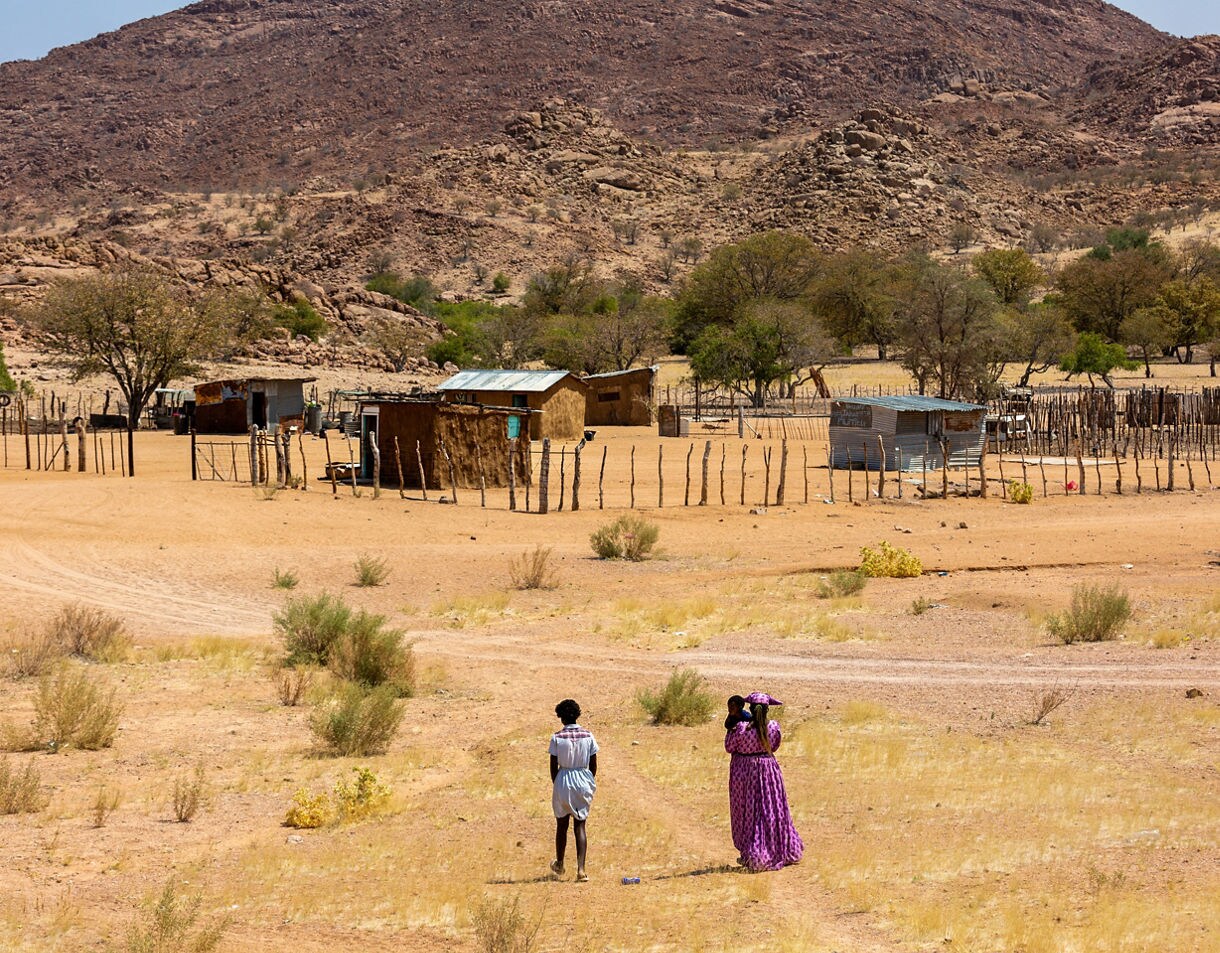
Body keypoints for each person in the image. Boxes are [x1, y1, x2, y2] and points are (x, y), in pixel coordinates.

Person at [724, 691, 803, 871]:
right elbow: (774, 746)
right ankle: (781, 850)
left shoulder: (741, 729)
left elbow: (729, 747)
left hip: (743, 774)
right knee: (771, 810)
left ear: (749, 709)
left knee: (748, 813)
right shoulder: (773, 727)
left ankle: (755, 853)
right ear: (767, 710)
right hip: (769, 771)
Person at [548, 698, 598, 882]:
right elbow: (593, 765)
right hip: (583, 779)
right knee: (580, 825)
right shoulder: (588, 736)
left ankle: (560, 863)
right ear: (577, 715)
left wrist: (558, 784)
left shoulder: (557, 737)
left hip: (563, 778)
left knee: (562, 825)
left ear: (561, 717)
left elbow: (553, 766)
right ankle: (581, 869)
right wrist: (588, 781)